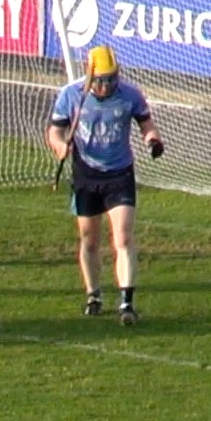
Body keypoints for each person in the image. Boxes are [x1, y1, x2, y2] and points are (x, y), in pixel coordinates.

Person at [46, 46, 165, 324]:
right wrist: (60, 146)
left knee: (122, 237)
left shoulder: (130, 95)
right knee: (89, 238)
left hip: (119, 174)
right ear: (90, 76)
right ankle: (93, 293)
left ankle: (127, 302)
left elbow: (147, 125)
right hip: (86, 175)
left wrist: (153, 141)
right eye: (100, 80)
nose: (106, 85)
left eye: (111, 79)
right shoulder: (71, 95)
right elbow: (54, 131)